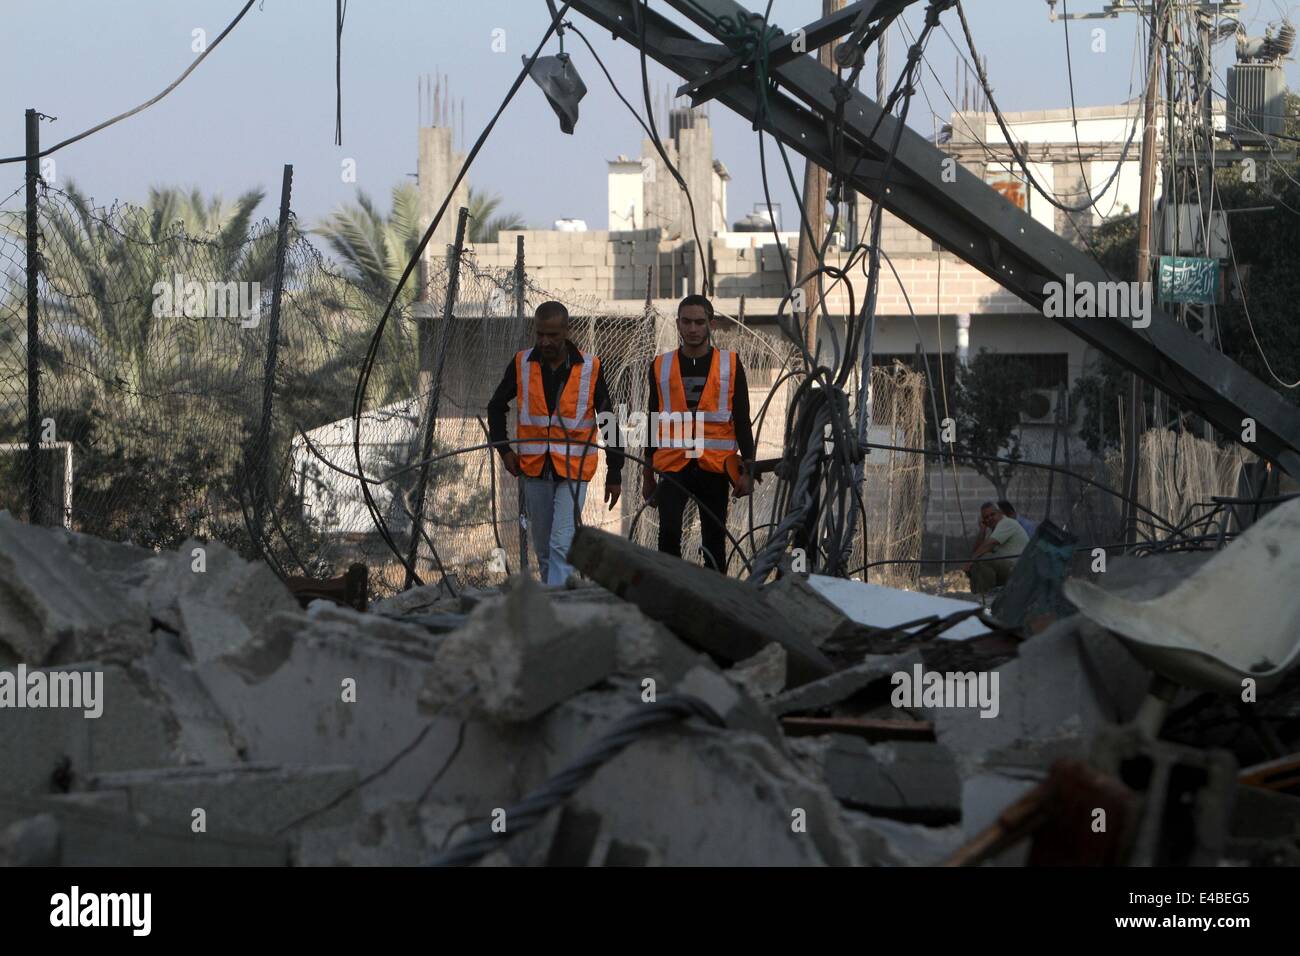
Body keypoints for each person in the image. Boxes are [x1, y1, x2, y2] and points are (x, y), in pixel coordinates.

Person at [487, 301, 623, 585]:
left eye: (553, 335)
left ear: (566, 331)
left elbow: (608, 419)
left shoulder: (590, 367)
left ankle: (558, 607)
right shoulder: (522, 363)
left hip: (574, 470)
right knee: (544, 548)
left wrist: (615, 471)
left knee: (562, 542)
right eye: (540, 334)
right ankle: (555, 601)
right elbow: (496, 406)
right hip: (534, 469)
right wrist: (504, 450)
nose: (545, 342)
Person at [642, 294, 755, 572]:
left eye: (699, 322)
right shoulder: (660, 366)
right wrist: (647, 475)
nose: (693, 329)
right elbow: (652, 421)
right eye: (687, 322)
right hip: (672, 465)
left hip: (714, 467)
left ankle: (714, 601)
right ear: (678, 324)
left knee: (713, 541)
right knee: (668, 536)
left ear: (711, 324)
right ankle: (671, 598)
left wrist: (748, 471)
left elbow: (742, 420)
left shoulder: (729, 364)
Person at [963, 501, 1029, 593]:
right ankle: (977, 596)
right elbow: (977, 551)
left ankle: (984, 595)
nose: (989, 518)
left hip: (1017, 571)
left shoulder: (1007, 523)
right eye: (986, 517)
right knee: (977, 562)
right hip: (1007, 569)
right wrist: (982, 530)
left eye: (992, 514)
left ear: (1000, 513)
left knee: (984, 559)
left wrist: (970, 561)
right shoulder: (992, 530)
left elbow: (990, 544)